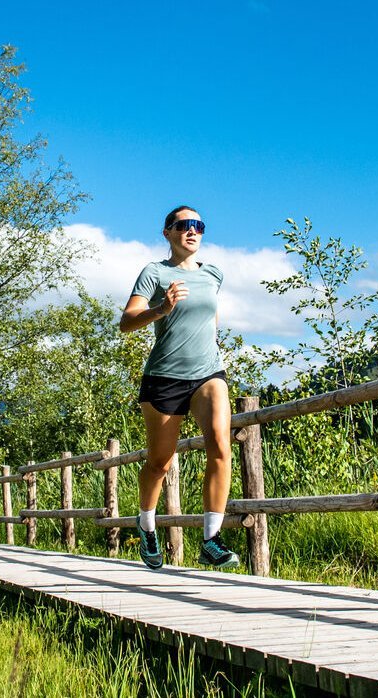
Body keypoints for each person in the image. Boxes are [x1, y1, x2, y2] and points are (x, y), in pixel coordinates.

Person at [119, 205, 240, 570]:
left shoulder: (214, 274)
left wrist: (210, 346)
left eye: (199, 226)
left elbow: (209, 318)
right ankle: (146, 524)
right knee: (160, 463)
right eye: (184, 225)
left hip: (208, 373)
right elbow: (126, 322)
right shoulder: (154, 273)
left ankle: (210, 540)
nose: (193, 231)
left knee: (221, 444)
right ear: (168, 232)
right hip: (164, 377)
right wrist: (161, 308)